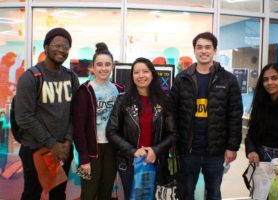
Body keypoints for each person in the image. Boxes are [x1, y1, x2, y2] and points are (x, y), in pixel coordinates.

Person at [170, 32, 243, 200]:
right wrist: (174, 142)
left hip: (215, 150)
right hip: (188, 149)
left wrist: (232, 147)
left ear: (215, 50)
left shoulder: (228, 80)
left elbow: (235, 115)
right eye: (199, 47)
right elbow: (172, 113)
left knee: (214, 193)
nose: (204, 51)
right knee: (186, 193)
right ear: (195, 50)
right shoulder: (182, 79)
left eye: (208, 47)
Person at [15, 27, 79, 200]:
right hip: (36, 149)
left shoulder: (71, 77)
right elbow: (24, 117)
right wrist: (52, 144)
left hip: (63, 150)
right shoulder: (31, 77)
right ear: (46, 47)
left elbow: (76, 112)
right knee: (32, 194)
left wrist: (67, 141)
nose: (61, 50)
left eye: (66, 47)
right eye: (57, 45)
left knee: (58, 194)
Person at [106, 57, 176, 200]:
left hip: (155, 162)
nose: (141, 75)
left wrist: (155, 150)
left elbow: (173, 133)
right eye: (136, 72)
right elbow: (111, 131)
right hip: (129, 162)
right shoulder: (122, 100)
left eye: (145, 71)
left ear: (152, 74)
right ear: (132, 76)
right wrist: (133, 151)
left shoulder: (164, 101)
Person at [72, 42, 123, 200]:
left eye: (107, 64)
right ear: (92, 67)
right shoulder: (84, 90)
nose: (103, 68)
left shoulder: (119, 90)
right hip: (91, 151)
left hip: (112, 150)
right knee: (88, 193)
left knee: (106, 192)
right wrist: (84, 159)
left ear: (112, 66)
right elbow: (78, 128)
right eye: (99, 64)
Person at [245, 63, 278, 200]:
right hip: (261, 158)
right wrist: (251, 151)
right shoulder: (260, 105)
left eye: (274, 78)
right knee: (259, 196)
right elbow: (251, 134)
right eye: (265, 79)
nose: (269, 82)